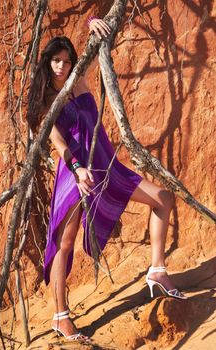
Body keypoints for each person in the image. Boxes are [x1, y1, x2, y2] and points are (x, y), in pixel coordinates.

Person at [27, 17, 186, 342]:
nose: (61, 66)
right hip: (76, 176)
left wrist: (92, 24)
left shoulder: (78, 84)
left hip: (106, 168)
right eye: (56, 60)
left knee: (164, 199)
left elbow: (95, 51)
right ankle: (61, 315)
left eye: (66, 60)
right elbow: (58, 144)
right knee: (65, 244)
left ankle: (156, 270)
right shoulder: (46, 102)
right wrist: (76, 169)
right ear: (47, 62)